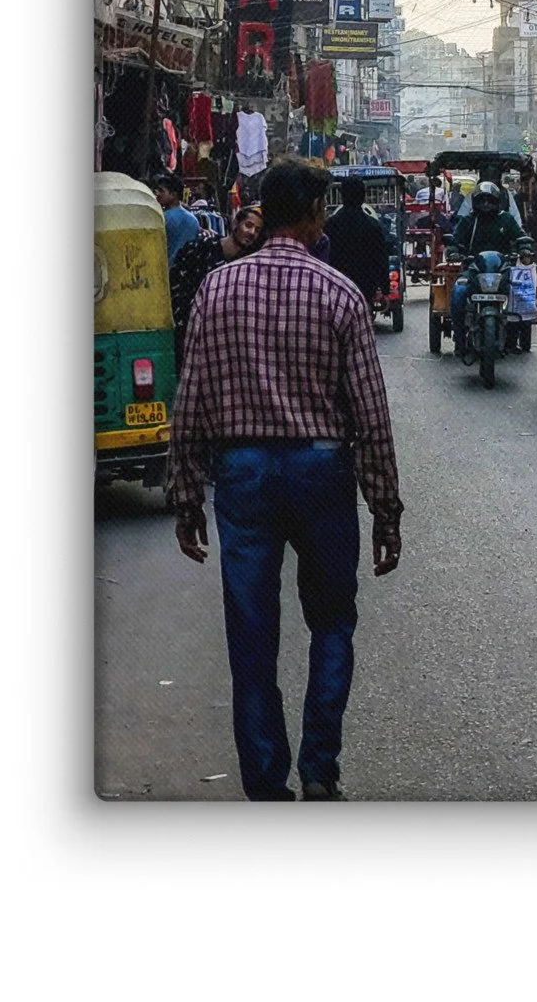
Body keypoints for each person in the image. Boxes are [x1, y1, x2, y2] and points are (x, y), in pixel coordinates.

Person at [169, 160, 403, 802]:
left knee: (251, 636)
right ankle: (320, 769)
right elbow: (371, 414)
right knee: (332, 621)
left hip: (242, 473)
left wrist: (185, 496)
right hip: (321, 471)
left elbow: (192, 398)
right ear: (313, 215)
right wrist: (386, 509)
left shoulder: (217, 290)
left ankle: (267, 785)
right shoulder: (340, 294)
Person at [169, 205, 264, 367]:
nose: (252, 232)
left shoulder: (249, 265)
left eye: (257, 230)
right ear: (235, 224)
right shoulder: (199, 249)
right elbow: (177, 292)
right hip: (192, 336)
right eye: (248, 225)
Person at [448, 182, 523, 345]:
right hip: (473, 269)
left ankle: (516, 333)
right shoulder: (468, 221)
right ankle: (459, 338)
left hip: (502, 270)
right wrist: (453, 251)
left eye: (490, 200)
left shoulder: (506, 219)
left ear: (497, 202)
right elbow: (454, 241)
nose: (486, 204)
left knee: (521, 292)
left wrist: (525, 248)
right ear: (475, 202)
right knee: (458, 293)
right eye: (482, 200)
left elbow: (520, 237)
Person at [321, 177, 391, 308]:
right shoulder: (373, 226)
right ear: (364, 196)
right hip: (365, 289)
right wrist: (385, 290)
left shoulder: (329, 225)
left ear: (341, 196)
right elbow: (381, 259)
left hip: (336, 287)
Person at [154, 173, 198, 266]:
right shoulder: (193, 220)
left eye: (161, 191)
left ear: (173, 195)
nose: (157, 194)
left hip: (166, 269)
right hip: (187, 268)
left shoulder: (162, 218)